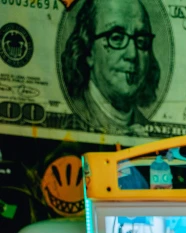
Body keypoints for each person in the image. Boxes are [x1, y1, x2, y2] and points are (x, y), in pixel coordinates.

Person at [61, 0, 160, 133]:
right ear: (88, 50)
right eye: (116, 38)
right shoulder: (71, 120)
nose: (132, 54)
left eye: (141, 40)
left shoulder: (148, 128)